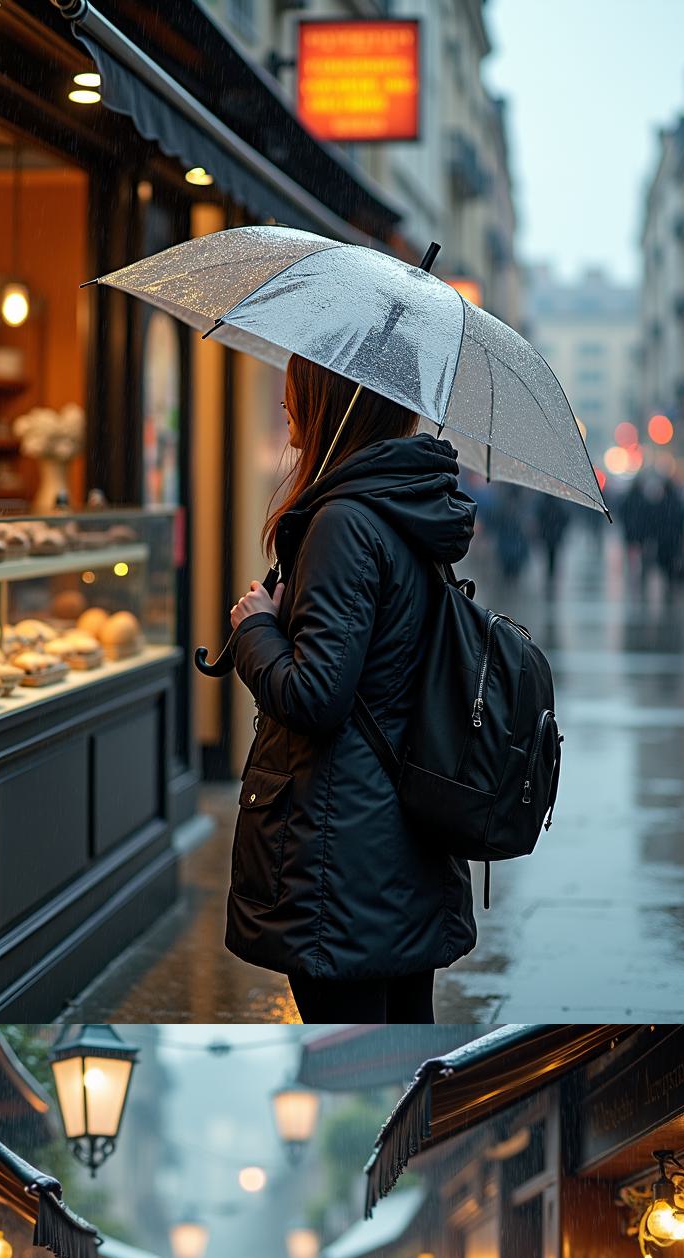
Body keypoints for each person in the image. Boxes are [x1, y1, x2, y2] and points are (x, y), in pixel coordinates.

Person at [226, 354, 478, 1022]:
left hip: (343, 858)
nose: (284, 396)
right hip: (398, 844)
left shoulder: (344, 523)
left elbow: (317, 695)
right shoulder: (405, 511)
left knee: (356, 1042)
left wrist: (255, 630)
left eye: (296, 379)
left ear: (333, 398)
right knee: (400, 1040)